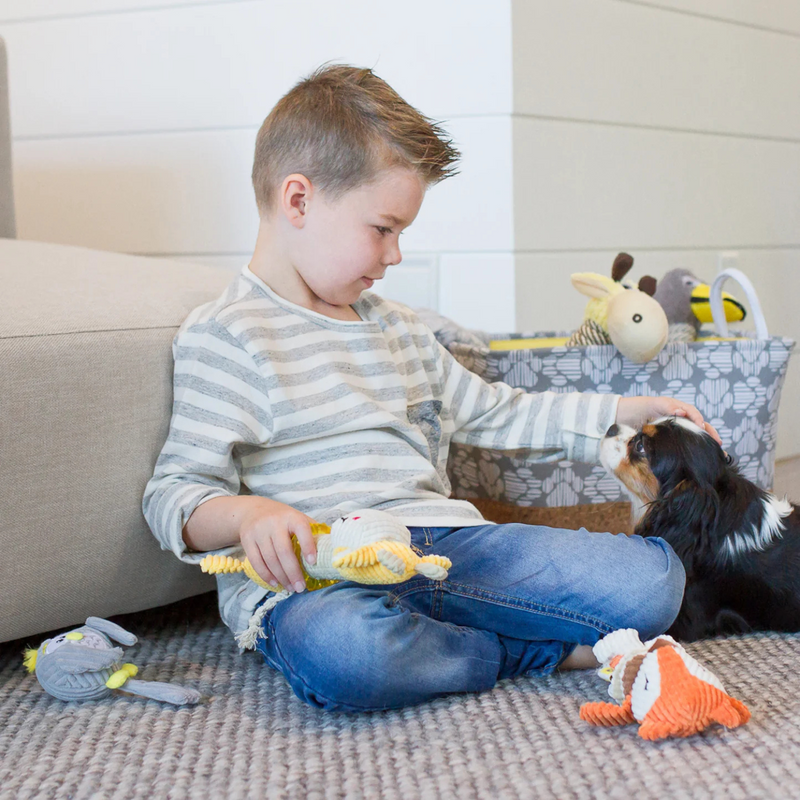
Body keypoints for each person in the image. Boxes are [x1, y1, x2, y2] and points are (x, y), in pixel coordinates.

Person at [142, 63, 719, 713]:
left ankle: (458, 641)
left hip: (446, 552)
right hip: (322, 583)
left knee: (657, 581)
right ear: (298, 201)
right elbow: (174, 496)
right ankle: (530, 651)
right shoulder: (227, 335)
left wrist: (625, 411)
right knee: (349, 653)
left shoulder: (399, 330)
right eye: (383, 229)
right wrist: (248, 517)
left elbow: (500, 413)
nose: (394, 256)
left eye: (401, 235)